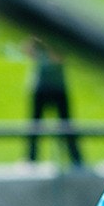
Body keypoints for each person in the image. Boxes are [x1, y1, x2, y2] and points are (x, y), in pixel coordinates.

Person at [27, 38, 82, 166]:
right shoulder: (38, 41)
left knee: (66, 125)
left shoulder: (58, 41)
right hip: (40, 87)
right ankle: (31, 158)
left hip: (58, 87)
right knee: (35, 126)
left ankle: (76, 160)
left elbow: (59, 58)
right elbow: (28, 51)